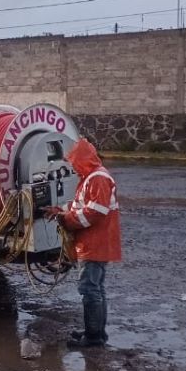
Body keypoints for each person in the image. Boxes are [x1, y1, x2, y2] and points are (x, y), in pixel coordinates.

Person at [44, 137, 121, 348]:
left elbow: (94, 212)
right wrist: (62, 212)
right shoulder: (92, 177)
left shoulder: (97, 178)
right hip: (95, 242)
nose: (73, 166)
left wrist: (65, 219)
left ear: (83, 160)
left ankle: (94, 337)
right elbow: (84, 207)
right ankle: (96, 332)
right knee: (96, 288)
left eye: (74, 162)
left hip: (95, 243)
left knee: (90, 289)